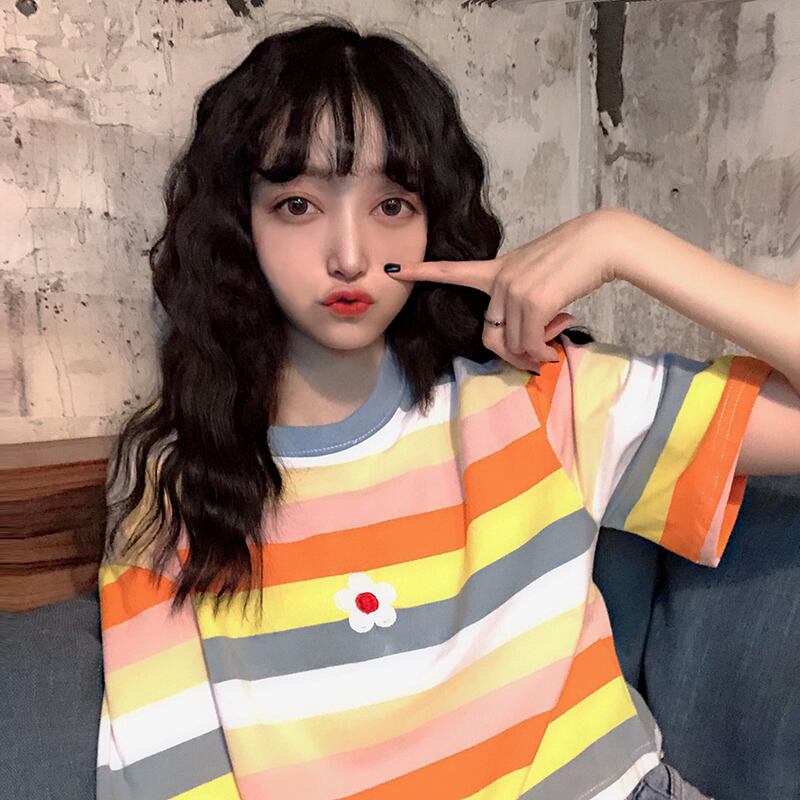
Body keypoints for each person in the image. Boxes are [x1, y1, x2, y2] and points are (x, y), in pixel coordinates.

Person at [96, 16, 800, 800]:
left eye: (392, 205)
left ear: (433, 220)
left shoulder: (540, 398)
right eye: (297, 204)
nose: (350, 256)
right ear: (240, 223)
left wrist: (623, 243)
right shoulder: (174, 484)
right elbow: (169, 775)